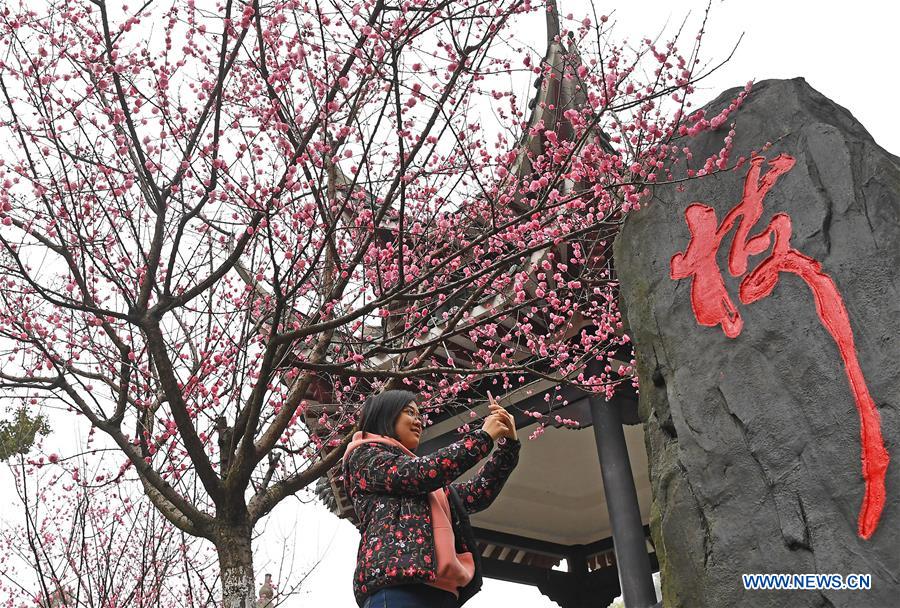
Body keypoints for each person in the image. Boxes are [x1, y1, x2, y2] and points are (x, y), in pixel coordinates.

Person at [342, 389, 519, 608]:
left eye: (419, 415)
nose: (418, 422)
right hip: (399, 587)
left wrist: (508, 447)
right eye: (410, 413)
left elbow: (476, 494)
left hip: (443, 592)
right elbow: (421, 473)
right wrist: (482, 438)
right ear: (386, 415)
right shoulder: (365, 456)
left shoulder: (429, 487)